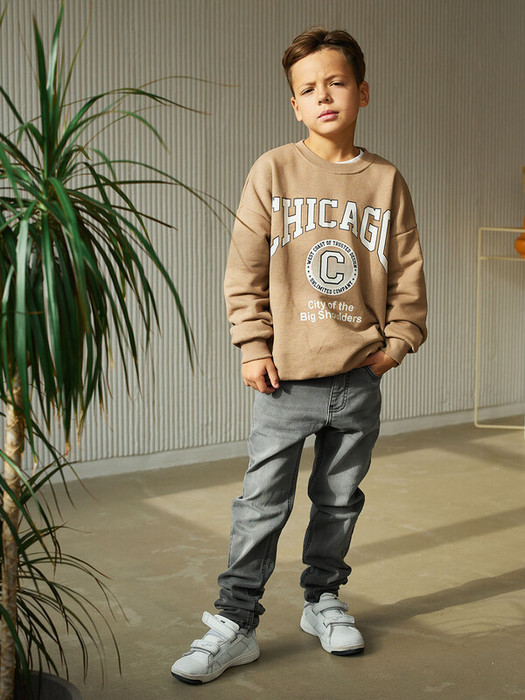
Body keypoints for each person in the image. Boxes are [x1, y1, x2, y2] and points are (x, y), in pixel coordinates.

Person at [171, 27, 427, 685]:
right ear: (294, 104)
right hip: (285, 380)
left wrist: (397, 342)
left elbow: (407, 271)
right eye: (308, 89)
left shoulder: (385, 180)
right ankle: (235, 622)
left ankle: (323, 600)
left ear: (362, 92)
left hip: (359, 376)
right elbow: (244, 268)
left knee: (339, 500)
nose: (324, 96)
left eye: (336, 83)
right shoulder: (274, 170)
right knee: (261, 503)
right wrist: (252, 344)